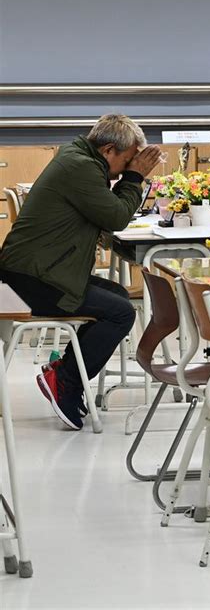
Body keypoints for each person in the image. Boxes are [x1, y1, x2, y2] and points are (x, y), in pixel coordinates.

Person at [0, 114, 162, 430]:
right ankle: (66, 382)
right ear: (109, 150)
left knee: (115, 295)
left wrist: (126, 176)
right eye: (127, 161)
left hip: (38, 269)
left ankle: (63, 372)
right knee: (121, 313)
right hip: (31, 279)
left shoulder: (79, 157)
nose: (127, 168)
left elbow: (103, 212)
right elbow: (115, 217)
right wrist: (134, 178)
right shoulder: (81, 167)